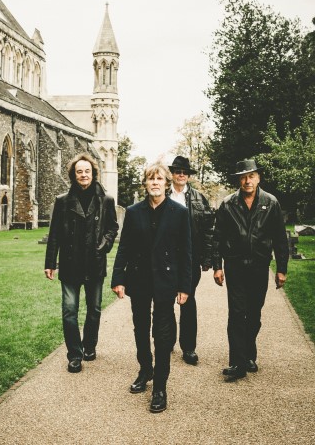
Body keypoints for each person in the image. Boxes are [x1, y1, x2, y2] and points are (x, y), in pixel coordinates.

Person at [111, 162, 192, 413]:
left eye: (159, 179)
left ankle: (160, 386)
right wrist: (118, 278)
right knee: (141, 327)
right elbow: (123, 247)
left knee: (163, 332)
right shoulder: (135, 212)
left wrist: (184, 286)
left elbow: (185, 252)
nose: (155, 182)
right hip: (139, 279)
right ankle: (145, 369)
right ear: (145, 183)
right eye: (150, 179)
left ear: (166, 183)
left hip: (166, 280)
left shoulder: (178, 212)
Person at [212, 158, 289, 380]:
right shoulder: (228, 204)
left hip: (259, 266)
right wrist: (218, 267)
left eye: (251, 176)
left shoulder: (271, 203)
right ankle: (237, 362)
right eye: (243, 177)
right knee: (237, 313)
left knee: (254, 313)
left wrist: (281, 269)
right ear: (238, 180)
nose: (247, 180)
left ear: (258, 178)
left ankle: (248, 355)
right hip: (235, 266)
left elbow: (280, 240)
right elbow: (218, 238)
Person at [44, 153, 118, 373]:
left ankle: (89, 346)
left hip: (94, 263)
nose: (83, 175)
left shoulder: (106, 200)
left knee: (94, 309)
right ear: (73, 175)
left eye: (87, 171)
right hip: (70, 264)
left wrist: (103, 245)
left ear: (93, 173)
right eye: (79, 171)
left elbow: (113, 228)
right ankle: (74, 355)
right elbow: (54, 233)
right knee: (69, 311)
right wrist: (50, 263)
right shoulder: (63, 201)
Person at [168, 155, 214, 365]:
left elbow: (207, 230)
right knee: (165, 301)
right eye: (178, 171)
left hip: (190, 258)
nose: (181, 175)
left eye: (185, 172)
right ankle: (167, 341)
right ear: (172, 174)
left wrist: (206, 257)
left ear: (188, 175)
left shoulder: (198, 198)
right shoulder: (162, 195)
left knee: (189, 301)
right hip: (166, 258)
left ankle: (189, 348)